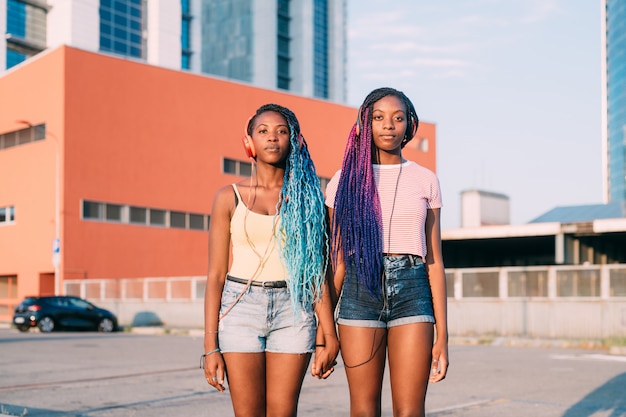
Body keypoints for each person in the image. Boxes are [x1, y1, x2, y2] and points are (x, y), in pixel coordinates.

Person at [202, 103, 339, 417]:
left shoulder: (308, 198)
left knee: (282, 412)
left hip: (293, 309)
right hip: (240, 309)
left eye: (281, 131)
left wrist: (329, 335)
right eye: (263, 131)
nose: (273, 138)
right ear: (248, 142)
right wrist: (210, 347)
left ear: (294, 141)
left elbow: (315, 273)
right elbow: (215, 276)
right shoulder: (228, 196)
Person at [325, 87, 449, 417]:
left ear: (410, 125)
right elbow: (335, 261)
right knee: (364, 410)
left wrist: (443, 338)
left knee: (410, 411)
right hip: (359, 290)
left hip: (412, 288)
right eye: (378, 117)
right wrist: (323, 328)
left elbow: (434, 261)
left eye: (398, 118)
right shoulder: (343, 181)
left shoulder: (426, 180)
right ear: (365, 124)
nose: (388, 125)